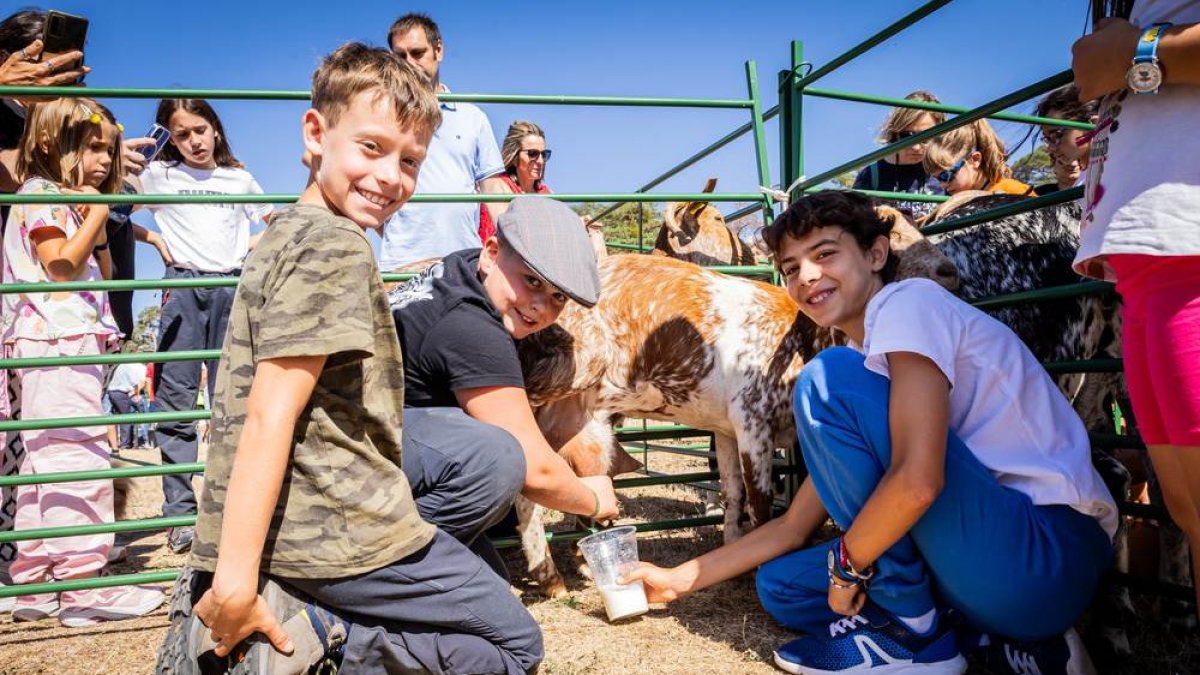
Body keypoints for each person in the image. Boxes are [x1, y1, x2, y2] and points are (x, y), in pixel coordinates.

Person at [155, 43, 543, 675]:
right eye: (372, 147)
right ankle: (324, 635)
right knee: (515, 645)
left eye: (410, 160)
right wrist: (232, 582)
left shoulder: (288, 230)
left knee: (484, 582)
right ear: (316, 132)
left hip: (310, 516)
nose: (392, 176)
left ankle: (314, 610)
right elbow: (268, 417)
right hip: (338, 528)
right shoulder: (335, 247)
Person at [624, 191, 1118, 675]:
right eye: (791, 267)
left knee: (826, 376)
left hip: (1044, 549)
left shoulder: (909, 304)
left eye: (824, 254)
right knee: (782, 586)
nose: (806, 276)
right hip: (990, 558)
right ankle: (1000, 641)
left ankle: (916, 635)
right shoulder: (869, 373)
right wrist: (676, 581)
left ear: (877, 253)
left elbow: (918, 482)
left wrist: (847, 565)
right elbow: (794, 527)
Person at [390, 195, 619, 578]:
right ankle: (376, 568)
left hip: (389, 449)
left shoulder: (461, 268)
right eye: (532, 281)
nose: (540, 307)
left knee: (500, 609)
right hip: (372, 470)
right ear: (491, 254)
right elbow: (535, 470)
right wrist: (594, 499)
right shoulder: (474, 332)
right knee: (499, 458)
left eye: (558, 297)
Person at [2, 96, 164, 627]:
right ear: (50, 143)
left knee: (44, 458)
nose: (102, 159)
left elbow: (102, 264)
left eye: (108, 149)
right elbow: (61, 265)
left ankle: (34, 582)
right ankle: (82, 585)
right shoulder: (43, 195)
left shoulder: (54, 198)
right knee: (78, 457)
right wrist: (97, 210)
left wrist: (95, 215)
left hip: (58, 342)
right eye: (92, 147)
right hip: (58, 342)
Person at [1071, 0, 1200, 615]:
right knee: (1191, 514)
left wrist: (1137, 54)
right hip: (1146, 262)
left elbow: (1112, 63)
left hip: (1188, 248)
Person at [132, 98, 273, 554]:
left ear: (215, 129)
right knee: (176, 401)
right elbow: (109, 204)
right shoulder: (159, 176)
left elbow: (272, 219)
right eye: (180, 134)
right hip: (184, 288)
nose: (193, 141)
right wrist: (153, 237)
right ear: (169, 137)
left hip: (232, 287)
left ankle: (232, 510)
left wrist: (250, 246)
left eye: (200, 129)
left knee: (234, 401)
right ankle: (180, 514)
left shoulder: (239, 177)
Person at [381, 12, 508, 270]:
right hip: (400, 263)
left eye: (417, 53)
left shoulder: (473, 118)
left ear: (438, 50)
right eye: (400, 56)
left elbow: (493, 189)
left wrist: (514, 247)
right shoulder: (382, 117)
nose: (409, 63)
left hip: (463, 260)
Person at [851, 91, 946, 220]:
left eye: (926, 136)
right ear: (895, 133)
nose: (916, 147)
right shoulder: (871, 175)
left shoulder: (946, 174)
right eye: (907, 135)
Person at [477, 120, 553, 241]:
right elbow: (509, 235)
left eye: (544, 154)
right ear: (514, 157)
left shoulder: (547, 193)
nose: (540, 161)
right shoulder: (499, 187)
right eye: (533, 154)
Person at [922, 118, 1033, 197]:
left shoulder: (1013, 191)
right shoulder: (960, 201)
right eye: (937, 179)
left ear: (975, 160)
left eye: (946, 176)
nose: (942, 185)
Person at [1033, 85, 1098, 195]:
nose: (1050, 148)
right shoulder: (1083, 183)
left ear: (1091, 123)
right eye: (1048, 138)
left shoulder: (1117, 169)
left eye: (1056, 135)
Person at [107, 354, 148, 450]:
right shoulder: (139, 367)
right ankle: (125, 444)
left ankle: (116, 443)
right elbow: (141, 383)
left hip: (111, 391)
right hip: (123, 392)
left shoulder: (123, 363)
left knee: (114, 418)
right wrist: (134, 393)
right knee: (126, 418)